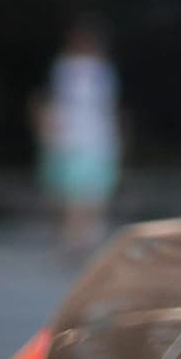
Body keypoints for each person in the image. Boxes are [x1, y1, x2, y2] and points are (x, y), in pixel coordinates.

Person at [37, 21, 121, 255]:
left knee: (93, 189)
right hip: (70, 137)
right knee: (72, 190)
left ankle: (85, 234)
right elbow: (50, 101)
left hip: (95, 136)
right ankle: (73, 235)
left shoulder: (102, 70)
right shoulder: (64, 68)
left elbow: (108, 106)